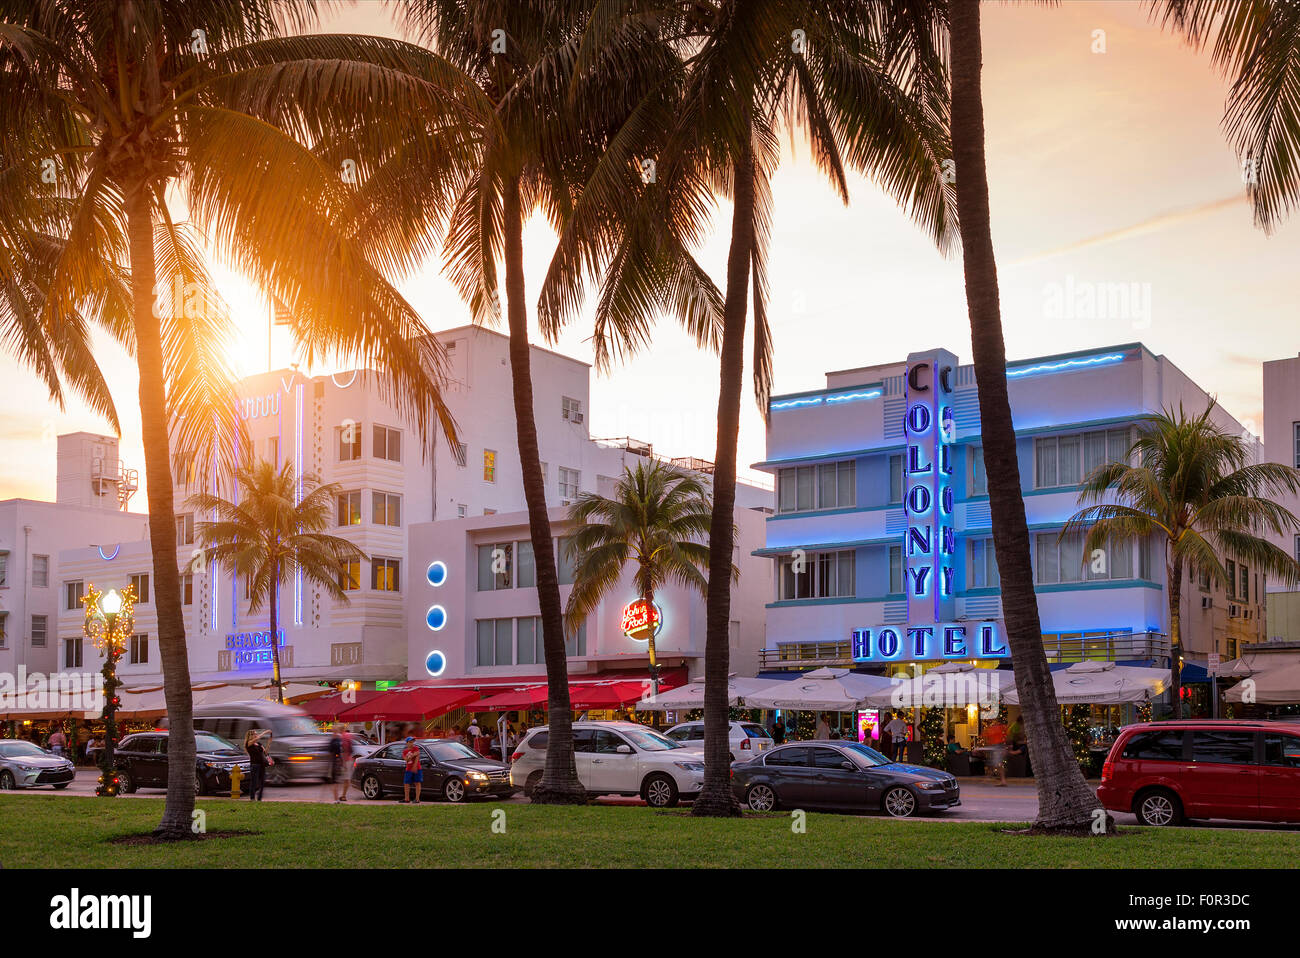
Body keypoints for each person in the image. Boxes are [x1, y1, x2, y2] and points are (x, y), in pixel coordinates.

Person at [245, 729, 272, 800]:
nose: (256, 735)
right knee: (254, 782)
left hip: (262, 764)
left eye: (256, 734)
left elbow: (265, 753)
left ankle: (259, 798)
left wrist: (269, 743)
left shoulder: (259, 744)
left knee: (262, 782)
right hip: (254, 765)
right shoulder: (249, 743)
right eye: (254, 734)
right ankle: (252, 798)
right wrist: (264, 733)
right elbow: (257, 738)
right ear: (250, 736)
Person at [983, 717, 1009, 786]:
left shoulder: (995, 728)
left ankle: (1001, 780)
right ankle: (1000, 780)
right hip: (997, 747)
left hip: (997, 747)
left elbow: (987, 739)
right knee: (996, 763)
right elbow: (1006, 737)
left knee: (997, 763)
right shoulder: (1000, 728)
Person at [332, 723, 354, 802]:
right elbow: (351, 749)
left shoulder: (342, 737)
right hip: (350, 759)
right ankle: (343, 795)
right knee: (346, 779)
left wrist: (343, 762)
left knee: (342, 779)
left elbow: (343, 750)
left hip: (345, 760)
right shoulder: (348, 735)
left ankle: (342, 796)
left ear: (340, 729)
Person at [401, 736, 423, 804]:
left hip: (417, 768)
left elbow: (417, 756)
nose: (411, 743)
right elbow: (406, 759)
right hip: (408, 769)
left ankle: (417, 799)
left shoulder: (416, 748)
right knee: (406, 783)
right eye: (410, 742)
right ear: (407, 743)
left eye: (412, 742)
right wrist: (411, 756)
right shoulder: (405, 751)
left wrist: (415, 766)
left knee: (417, 782)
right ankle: (407, 798)